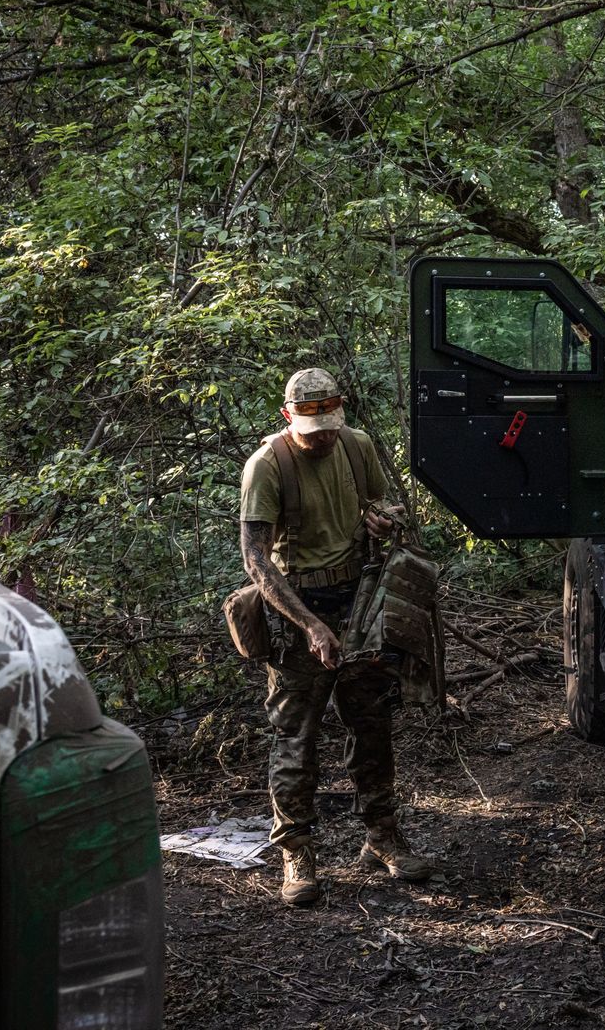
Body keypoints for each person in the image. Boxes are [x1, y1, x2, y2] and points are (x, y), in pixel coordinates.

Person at [240, 367, 435, 906]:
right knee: (295, 738)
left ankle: (382, 836)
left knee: (371, 724)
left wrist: (380, 518)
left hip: (360, 600)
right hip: (296, 608)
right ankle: (296, 850)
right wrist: (309, 626)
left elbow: (382, 504)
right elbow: (257, 562)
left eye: (330, 423)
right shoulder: (267, 466)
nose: (322, 436)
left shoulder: (357, 446)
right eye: (311, 427)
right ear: (288, 416)